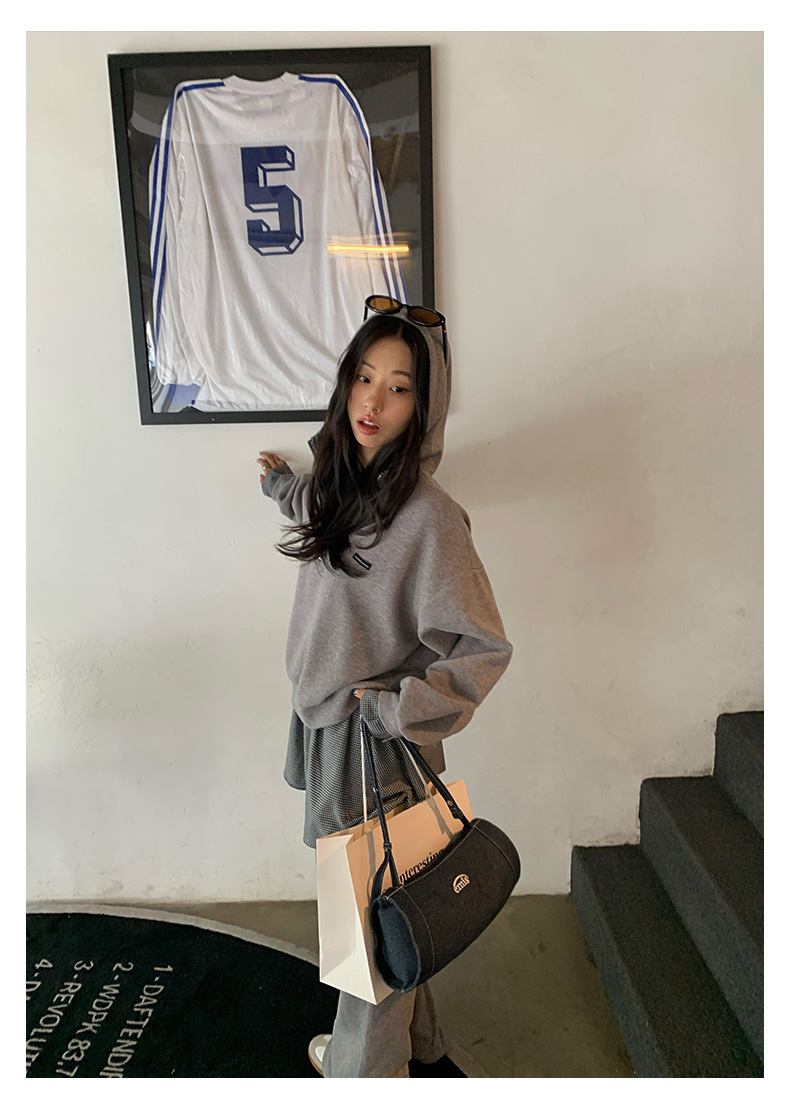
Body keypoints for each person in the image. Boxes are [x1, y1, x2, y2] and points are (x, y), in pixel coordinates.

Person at [257, 296, 512, 1078]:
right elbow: (312, 503)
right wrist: (279, 485)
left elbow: (483, 648)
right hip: (327, 725)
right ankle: (421, 1041)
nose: (373, 400)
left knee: (363, 932)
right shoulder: (340, 481)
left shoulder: (430, 519)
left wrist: (396, 710)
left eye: (399, 387)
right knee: (394, 893)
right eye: (364, 377)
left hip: (370, 740)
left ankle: (362, 1072)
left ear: (423, 406)